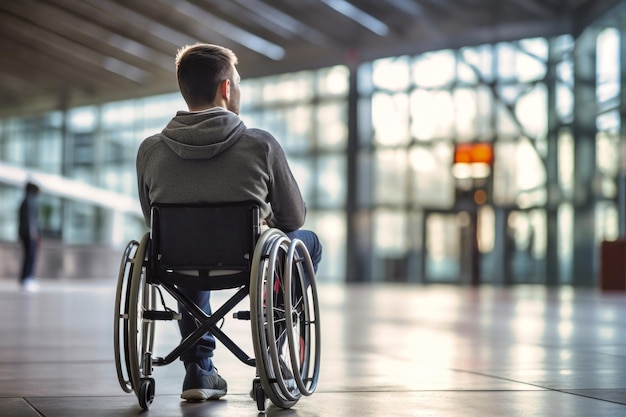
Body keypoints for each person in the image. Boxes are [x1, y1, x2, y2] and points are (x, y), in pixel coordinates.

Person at [135, 43, 322, 402]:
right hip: (250, 262)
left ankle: (199, 369)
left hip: (178, 262)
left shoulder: (151, 150)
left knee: (184, 246)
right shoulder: (260, 145)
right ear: (226, 88)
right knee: (306, 242)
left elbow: (153, 220)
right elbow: (293, 217)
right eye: (237, 82)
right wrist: (264, 221)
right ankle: (271, 353)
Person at [18, 181, 41, 292]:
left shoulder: (25, 200)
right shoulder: (30, 201)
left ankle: (26, 277)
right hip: (29, 234)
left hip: (25, 233)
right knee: (30, 256)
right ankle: (27, 278)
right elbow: (31, 219)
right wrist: (33, 232)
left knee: (28, 256)